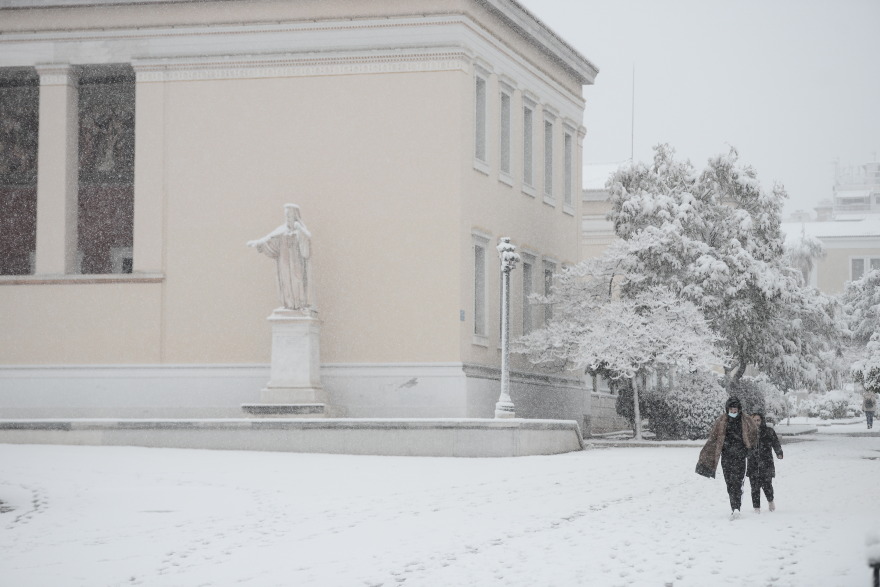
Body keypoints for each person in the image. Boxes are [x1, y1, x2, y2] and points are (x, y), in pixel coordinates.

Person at [696, 397, 759, 520]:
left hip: (740, 456)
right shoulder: (721, 421)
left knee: (737, 482)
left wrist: (749, 449)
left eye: (735, 409)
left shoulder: (746, 420)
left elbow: (754, 434)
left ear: (739, 409)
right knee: (729, 482)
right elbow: (713, 438)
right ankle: (734, 507)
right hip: (726, 457)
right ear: (727, 409)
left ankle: (736, 508)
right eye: (731, 409)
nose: (733, 411)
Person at [248, 204, 313, 312]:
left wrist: (300, 230)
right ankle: (289, 303)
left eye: (290, 215)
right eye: (286, 216)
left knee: (298, 280)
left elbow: (307, 242)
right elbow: (269, 239)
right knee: (285, 282)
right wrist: (258, 243)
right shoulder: (282, 230)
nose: (288, 218)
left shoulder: (300, 230)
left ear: (295, 216)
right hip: (285, 262)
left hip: (297, 263)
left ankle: (300, 303)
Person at [746, 413, 783, 513]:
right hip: (753, 463)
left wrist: (779, 453)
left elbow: (775, 443)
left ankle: (770, 501)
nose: (756, 422)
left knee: (767, 485)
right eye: (754, 420)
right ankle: (756, 507)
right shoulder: (748, 432)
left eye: (758, 420)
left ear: (762, 421)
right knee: (754, 487)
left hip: (766, 462)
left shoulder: (769, 431)